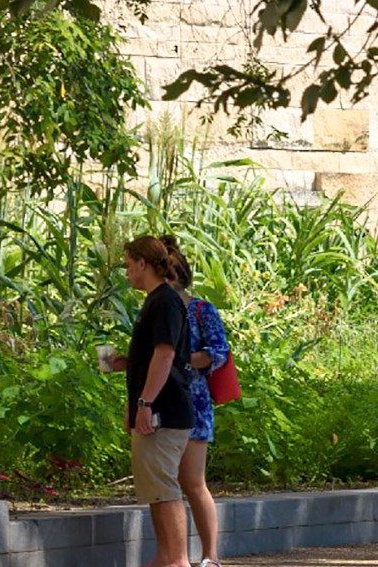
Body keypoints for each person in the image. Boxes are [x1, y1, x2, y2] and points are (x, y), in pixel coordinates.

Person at [103, 235, 197, 567]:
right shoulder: (155, 301)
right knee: (155, 488)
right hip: (157, 408)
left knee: (164, 486)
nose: (127, 273)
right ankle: (166, 556)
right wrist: (128, 364)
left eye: (128, 265)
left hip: (164, 411)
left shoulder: (165, 301)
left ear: (143, 263)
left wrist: (145, 403)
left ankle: (177, 560)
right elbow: (155, 354)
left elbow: (166, 353)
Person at [170, 238, 231, 567]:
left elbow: (219, 353)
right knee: (168, 485)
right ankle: (175, 556)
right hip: (162, 403)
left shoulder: (200, 309)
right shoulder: (155, 310)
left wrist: (183, 361)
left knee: (193, 482)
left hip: (194, 402)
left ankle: (211, 556)